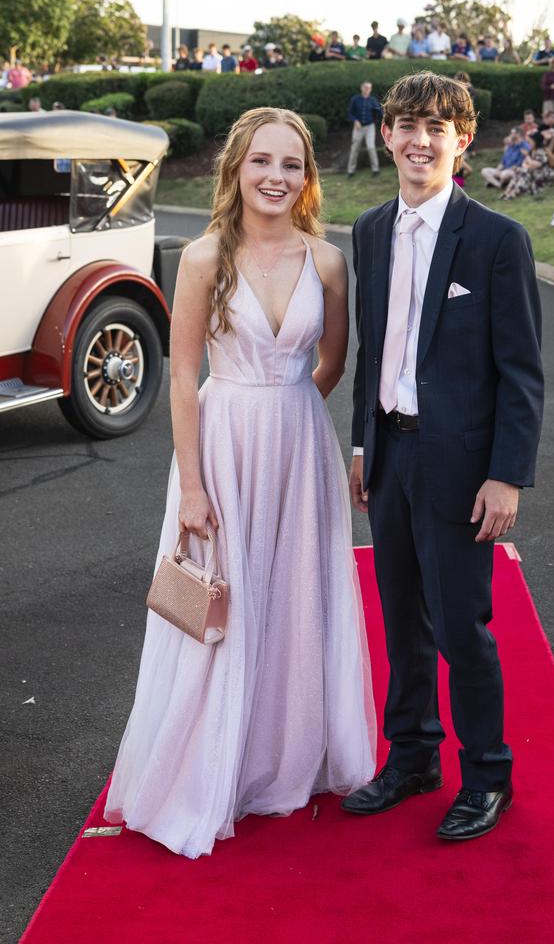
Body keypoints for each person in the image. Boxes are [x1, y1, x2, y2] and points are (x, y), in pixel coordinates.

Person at [104, 106, 377, 858]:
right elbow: (184, 377)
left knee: (293, 600)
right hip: (220, 451)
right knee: (219, 608)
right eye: (263, 162)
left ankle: (280, 758)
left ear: (307, 177)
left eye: (292, 165)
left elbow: (332, 363)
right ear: (237, 168)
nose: (276, 178)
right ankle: (204, 768)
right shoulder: (202, 258)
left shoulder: (326, 260)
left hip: (298, 448)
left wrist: (285, 412)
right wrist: (192, 486)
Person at [343, 70, 543, 842]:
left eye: (439, 126)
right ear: (386, 134)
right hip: (389, 453)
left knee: (463, 625)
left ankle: (488, 774)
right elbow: (374, 350)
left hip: (460, 466)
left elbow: (521, 371)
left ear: (463, 139)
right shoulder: (367, 231)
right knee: (401, 618)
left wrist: (506, 474)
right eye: (408, 124)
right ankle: (414, 756)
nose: (421, 140)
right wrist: (363, 440)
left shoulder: (497, 239)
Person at [346, 80, 382, 177]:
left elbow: (379, 112)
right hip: (358, 127)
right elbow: (349, 113)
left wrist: (381, 120)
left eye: (369, 88)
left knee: (371, 147)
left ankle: (376, 170)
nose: (367, 89)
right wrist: (355, 120)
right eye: (366, 87)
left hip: (370, 127)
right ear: (362, 88)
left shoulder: (372, 100)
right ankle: (351, 171)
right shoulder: (355, 99)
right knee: (354, 148)